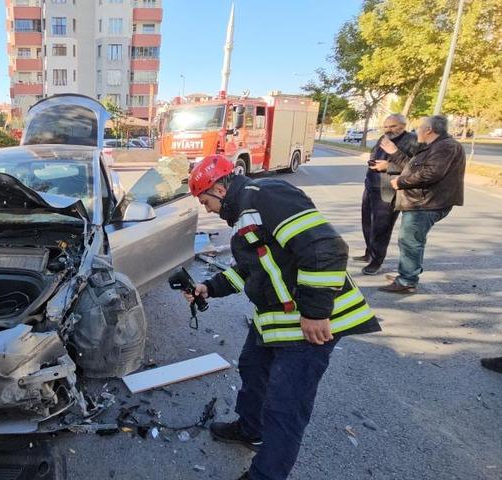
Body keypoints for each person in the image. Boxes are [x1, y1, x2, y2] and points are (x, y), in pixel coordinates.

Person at [182, 155, 381, 480]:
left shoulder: (265, 195)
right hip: (278, 320)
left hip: (311, 324)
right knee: (252, 367)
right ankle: (250, 429)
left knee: (284, 406)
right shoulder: (246, 216)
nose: (208, 210)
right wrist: (210, 288)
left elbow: (325, 247)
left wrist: (316, 313)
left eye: (206, 201)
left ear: (219, 188)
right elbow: (253, 270)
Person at [374, 115, 465, 294]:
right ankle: (407, 274)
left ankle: (407, 281)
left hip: (426, 202)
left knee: (410, 241)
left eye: (419, 128)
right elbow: (412, 166)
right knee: (410, 240)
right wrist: (394, 153)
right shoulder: (434, 146)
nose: (417, 132)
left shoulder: (446, 146)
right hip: (421, 201)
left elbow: (431, 174)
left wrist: (401, 182)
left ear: (429, 130)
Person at [356, 114, 418, 275]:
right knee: (367, 222)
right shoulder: (383, 138)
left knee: (381, 226)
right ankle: (369, 252)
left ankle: (377, 261)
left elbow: (414, 167)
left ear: (403, 125)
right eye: (386, 126)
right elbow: (375, 154)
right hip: (371, 185)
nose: (389, 130)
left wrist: (388, 166)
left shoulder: (412, 140)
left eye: (393, 126)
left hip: (389, 189)